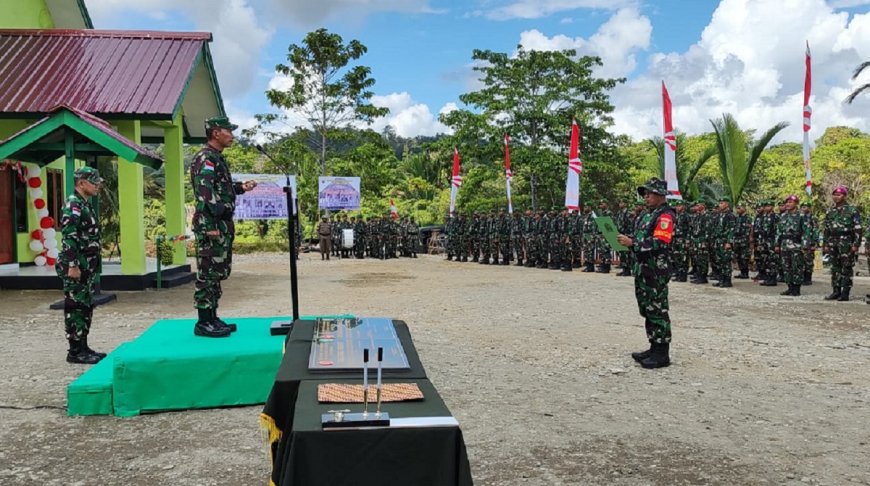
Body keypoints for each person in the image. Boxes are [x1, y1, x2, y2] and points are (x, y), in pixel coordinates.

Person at [190, 116, 257, 338]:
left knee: (217, 272)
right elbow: (205, 193)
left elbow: (221, 189)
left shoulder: (216, 158)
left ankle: (212, 317)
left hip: (221, 223)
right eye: (229, 131)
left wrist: (241, 187)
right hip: (212, 225)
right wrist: (210, 225)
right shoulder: (206, 158)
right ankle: (203, 322)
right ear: (216, 133)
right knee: (208, 272)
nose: (232, 135)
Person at [617, 178, 676, 369]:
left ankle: (662, 353)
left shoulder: (665, 216)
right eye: (644, 194)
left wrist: (633, 243)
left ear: (660, 195)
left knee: (657, 309)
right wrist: (628, 240)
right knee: (647, 308)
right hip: (643, 268)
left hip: (655, 270)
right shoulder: (647, 215)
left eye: (649, 193)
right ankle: (653, 345)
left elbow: (661, 242)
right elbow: (642, 239)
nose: (646, 197)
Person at [57, 167, 106, 364]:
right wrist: (73, 265)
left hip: (88, 265)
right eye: (94, 183)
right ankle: (75, 351)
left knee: (85, 305)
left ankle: (84, 346)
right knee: (75, 306)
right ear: (81, 183)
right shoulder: (73, 205)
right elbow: (69, 237)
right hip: (77, 266)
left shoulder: (85, 204)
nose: (97, 186)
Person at [822, 186, 863, 301]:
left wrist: (856, 244)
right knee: (835, 268)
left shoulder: (852, 210)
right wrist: (825, 243)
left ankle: (845, 293)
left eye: (839, 195)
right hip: (833, 241)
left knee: (846, 267)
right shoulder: (830, 211)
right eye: (834, 195)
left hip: (846, 242)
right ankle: (836, 291)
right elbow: (826, 229)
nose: (836, 197)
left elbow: (858, 228)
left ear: (844, 196)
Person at [775, 195, 810, 296]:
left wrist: (804, 245)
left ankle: (796, 288)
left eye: (790, 202)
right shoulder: (783, 216)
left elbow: (806, 231)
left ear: (796, 204)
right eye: (786, 202)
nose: (788, 204)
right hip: (785, 245)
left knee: (797, 267)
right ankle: (789, 287)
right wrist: (777, 244)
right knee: (786, 267)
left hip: (796, 245)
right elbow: (779, 231)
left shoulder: (802, 216)